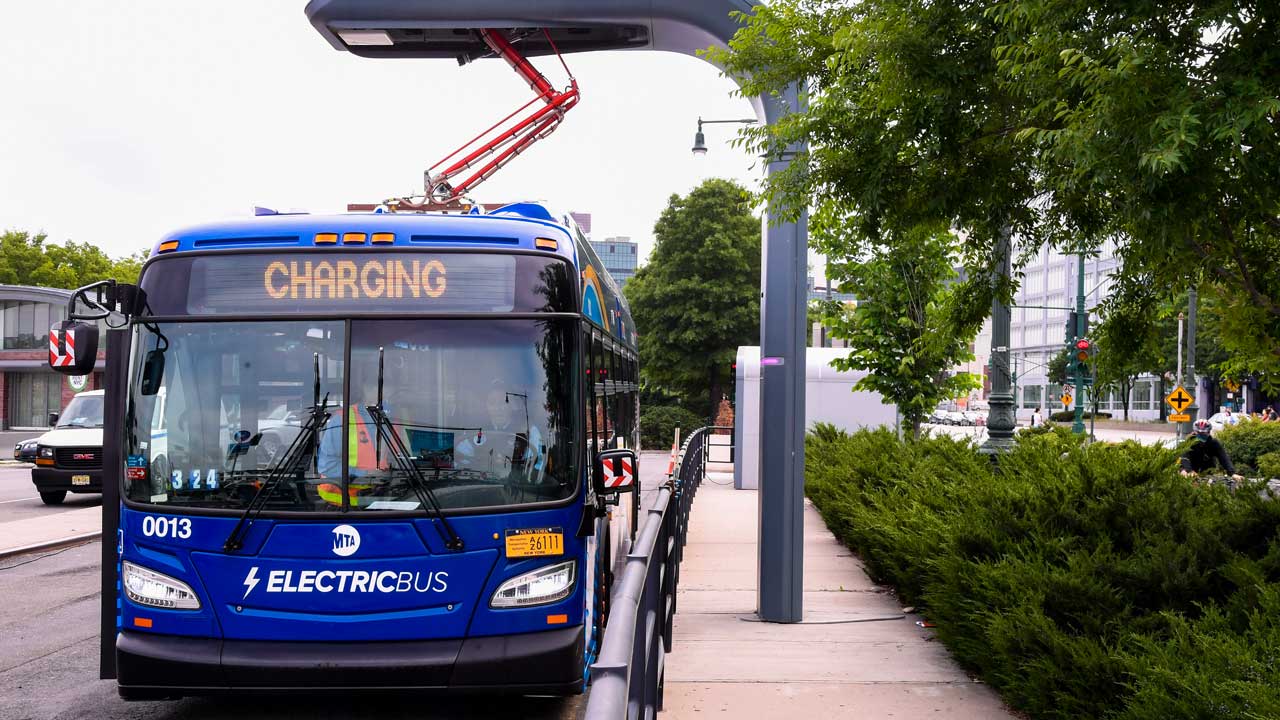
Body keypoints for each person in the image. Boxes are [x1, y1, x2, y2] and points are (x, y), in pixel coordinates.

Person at [454, 379, 545, 483]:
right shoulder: (475, 429)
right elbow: (461, 460)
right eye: (492, 403)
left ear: (512, 405)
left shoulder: (527, 429)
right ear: (486, 406)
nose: (498, 408)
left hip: (517, 488)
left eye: (504, 402)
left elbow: (537, 464)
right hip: (479, 486)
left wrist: (511, 465)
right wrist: (480, 462)